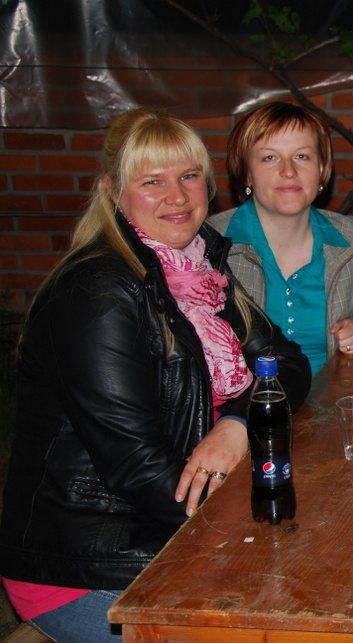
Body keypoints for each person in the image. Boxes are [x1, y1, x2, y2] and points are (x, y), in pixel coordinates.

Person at [0, 108, 312, 642]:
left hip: (175, 526)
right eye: (152, 181)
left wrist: (236, 425)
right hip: (93, 565)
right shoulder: (99, 293)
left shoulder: (197, 268)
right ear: (113, 192)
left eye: (189, 176)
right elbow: (138, 468)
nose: (177, 196)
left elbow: (287, 364)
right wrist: (259, 531)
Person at [207, 102, 353, 376]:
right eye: (269, 158)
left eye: (302, 156)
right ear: (247, 172)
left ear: (322, 169)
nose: (288, 171)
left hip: (335, 397)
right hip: (246, 401)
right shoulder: (209, 244)